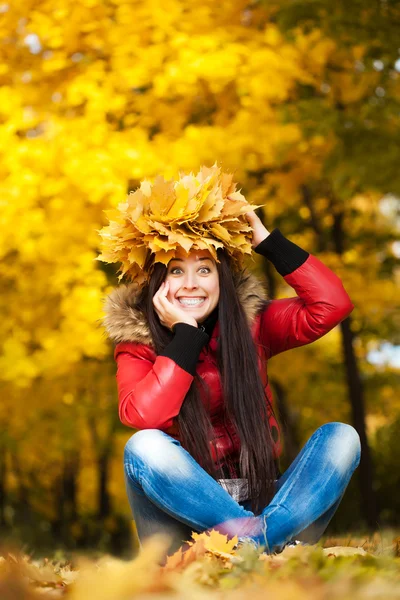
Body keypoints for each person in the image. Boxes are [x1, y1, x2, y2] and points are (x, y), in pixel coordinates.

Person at [100, 164, 361, 560]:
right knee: (143, 447)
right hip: (183, 529)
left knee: (342, 438)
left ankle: (254, 542)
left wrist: (268, 241)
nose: (191, 283)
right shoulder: (136, 344)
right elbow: (144, 416)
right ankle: (262, 545)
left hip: (268, 501)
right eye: (176, 271)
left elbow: (331, 306)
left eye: (204, 269)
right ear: (156, 284)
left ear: (221, 278)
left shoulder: (252, 327)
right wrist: (185, 339)